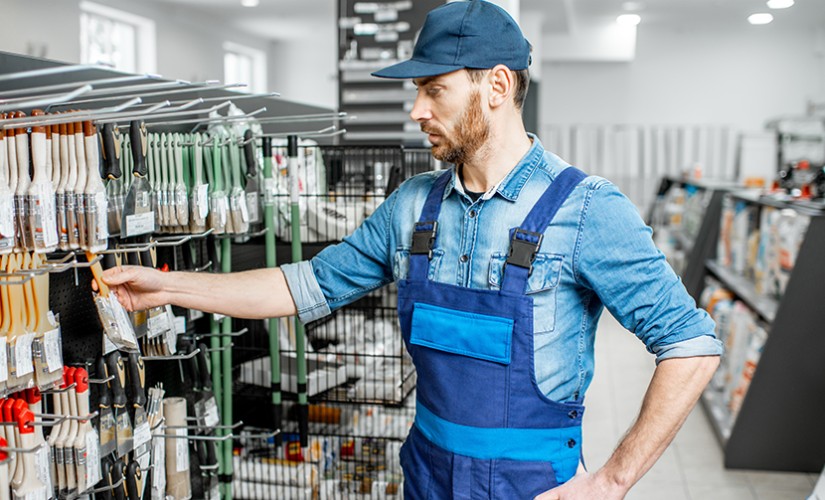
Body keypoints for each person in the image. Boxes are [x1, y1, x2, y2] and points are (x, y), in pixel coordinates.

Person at [102, 1, 723, 498]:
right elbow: (304, 285)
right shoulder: (412, 206)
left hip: (530, 486)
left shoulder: (585, 209)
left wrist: (610, 483)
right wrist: (171, 286)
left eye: (435, 89)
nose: (416, 109)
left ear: (497, 85)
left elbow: (691, 344)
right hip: (425, 473)